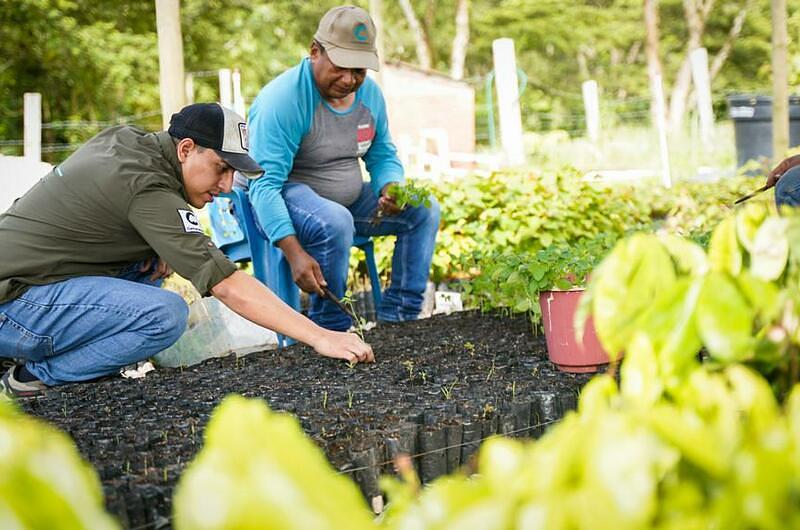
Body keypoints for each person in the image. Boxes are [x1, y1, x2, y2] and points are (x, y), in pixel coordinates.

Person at [0, 102, 373, 398]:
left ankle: (44, 356)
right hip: (13, 303)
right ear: (186, 148)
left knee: (144, 267)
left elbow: (111, 208)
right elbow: (226, 283)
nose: (227, 185)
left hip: (24, 282)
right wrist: (321, 335)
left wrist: (151, 242)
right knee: (164, 316)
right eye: (221, 168)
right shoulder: (148, 187)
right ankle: (31, 377)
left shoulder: (130, 144)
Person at [247, 5, 441, 332]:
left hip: (344, 205)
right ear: (314, 51)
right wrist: (293, 250)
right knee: (335, 220)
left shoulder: (370, 97)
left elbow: (382, 152)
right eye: (341, 67)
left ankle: (402, 320)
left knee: (423, 210)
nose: (350, 80)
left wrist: (390, 186)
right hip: (281, 200)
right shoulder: (282, 101)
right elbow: (264, 187)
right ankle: (330, 327)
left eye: (360, 71)